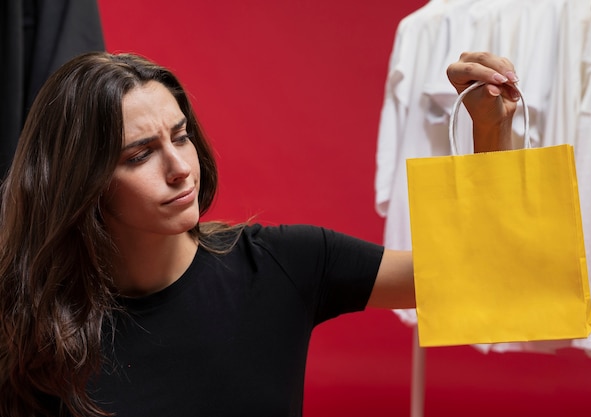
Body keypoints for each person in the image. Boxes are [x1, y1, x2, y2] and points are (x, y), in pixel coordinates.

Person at [0, 51, 520, 417]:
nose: (181, 167)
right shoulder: (32, 321)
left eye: (181, 136)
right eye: (139, 155)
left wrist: (490, 131)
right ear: (80, 182)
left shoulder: (283, 263)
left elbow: (476, 276)